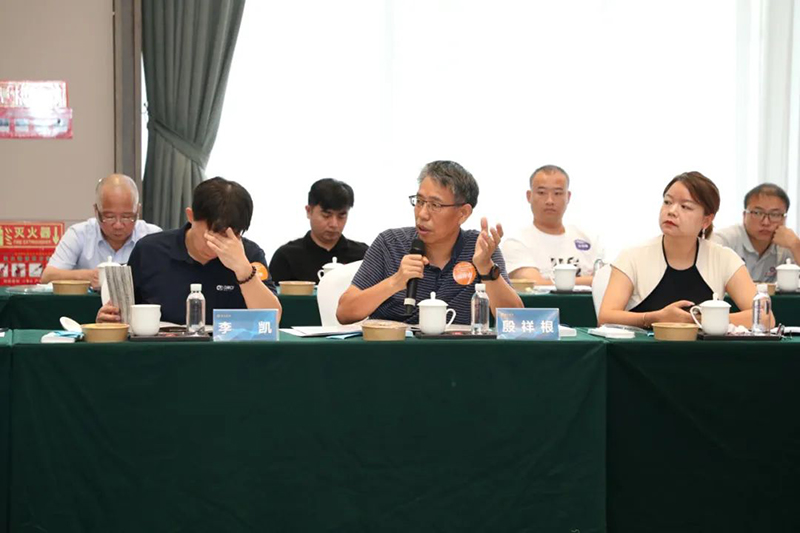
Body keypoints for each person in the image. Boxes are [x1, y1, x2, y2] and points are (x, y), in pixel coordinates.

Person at [336, 160, 522, 325]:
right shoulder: (390, 243)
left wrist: (486, 267)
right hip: (394, 350)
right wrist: (396, 281)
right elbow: (344, 313)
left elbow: (515, 320)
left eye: (435, 205)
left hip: (458, 352)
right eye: (419, 201)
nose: (422, 214)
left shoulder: (480, 248)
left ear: (463, 213)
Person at [96, 177, 281, 325]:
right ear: (191, 216)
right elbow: (123, 314)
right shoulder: (150, 251)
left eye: (231, 236)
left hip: (230, 355)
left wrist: (244, 271)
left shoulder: (249, 254)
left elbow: (271, 321)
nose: (219, 245)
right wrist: (109, 319)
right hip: (161, 355)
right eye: (213, 233)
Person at [598, 171, 771, 329]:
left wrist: (699, 319)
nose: (672, 211)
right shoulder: (632, 256)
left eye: (685, 206)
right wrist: (655, 318)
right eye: (667, 202)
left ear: (706, 220)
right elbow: (605, 317)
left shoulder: (723, 258)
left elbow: (765, 318)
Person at [41, 174, 161, 288]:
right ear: (96, 211)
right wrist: (88, 276)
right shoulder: (79, 234)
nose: (118, 225)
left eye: (126, 217)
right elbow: (47, 277)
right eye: (109, 217)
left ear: (138, 210)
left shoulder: (153, 236)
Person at [501, 165, 603, 286]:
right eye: (542, 193)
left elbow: (606, 282)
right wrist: (590, 281)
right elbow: (535, 285)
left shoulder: (589, 239)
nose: (550, 200)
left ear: (568, 197)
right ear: (529, 196)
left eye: (557, 193)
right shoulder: (516, 242)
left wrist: (596, 281)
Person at [269, 178, 368, 282]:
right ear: (309, 211)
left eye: (341, 216)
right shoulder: (286, 257)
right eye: (326, 215)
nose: (334, 224)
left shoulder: (363, 256)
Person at [711, 183, 800, 282]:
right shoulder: (724, 240)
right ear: (744, 215)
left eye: (775, 214)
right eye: (758, 213)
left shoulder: (787, 244)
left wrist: (796, 245)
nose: (766, 222)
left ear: (784, 219)